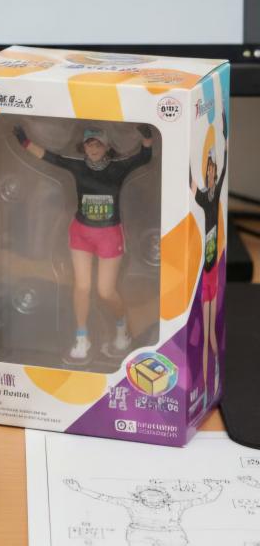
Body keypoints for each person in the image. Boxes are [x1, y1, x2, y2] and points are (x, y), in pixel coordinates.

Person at [13, 123, 154, 363]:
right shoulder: (77, 166)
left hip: (109, 235)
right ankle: (82, 338)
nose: (93, 149)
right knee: (82, 287)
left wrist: (147, 137)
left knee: (105, 291)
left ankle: (122, 329)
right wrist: (24, 141)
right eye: (89, 145)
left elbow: (144, 157)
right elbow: (50, 157)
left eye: (98, 144)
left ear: (106, 147)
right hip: (81, 233)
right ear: (84, 147)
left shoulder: (118, 168)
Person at [189, 108, 228, 409]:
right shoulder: (203, 198)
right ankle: (203, 388)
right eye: (210, 173)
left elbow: (224, 158)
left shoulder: (216, 193)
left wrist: (224, 127)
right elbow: (190, 184)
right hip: (206, 273)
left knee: (213, 334)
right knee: (204, 339)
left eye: (214, 172)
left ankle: (212, 383)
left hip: (216, 273)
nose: (213, 175)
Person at [64, 478, 222, 546]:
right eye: (147, 494)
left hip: (171, 535)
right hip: (140, 534)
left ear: (165, 497)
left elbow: (205, 499)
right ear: (140, 496)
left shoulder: (175, 506)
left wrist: (217, 488)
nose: (152, 497)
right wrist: (79, 489)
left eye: (156, 494)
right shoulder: (132, 504)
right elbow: (104, 498)